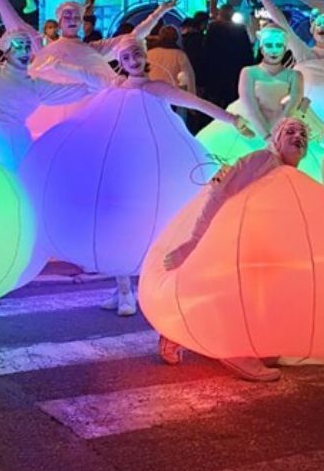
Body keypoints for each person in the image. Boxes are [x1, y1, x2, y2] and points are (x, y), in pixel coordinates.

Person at [103, 36, 250, 315]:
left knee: (150, 224)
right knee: (117, 224)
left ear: (145, 56)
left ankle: (149, 287)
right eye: (126, 58)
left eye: (137, 55)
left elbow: (194, 102)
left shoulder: (155, 87)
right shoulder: (115, 87)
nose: (133, 62)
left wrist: (232, 119)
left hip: (152, 164)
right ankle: (123, 289)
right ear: (119, 63)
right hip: (123, 161)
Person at [158, 116, 311, 380]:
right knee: (240, 294)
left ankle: (178, 332)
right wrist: (195, 241)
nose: (298, 136)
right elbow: (219, 192)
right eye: (290, 130)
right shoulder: (263, 160)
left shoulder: (289, 173)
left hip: (258, 244)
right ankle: (235, 351)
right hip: (237, 242)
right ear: (275, 139)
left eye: (303, 134)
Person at [0, 28, 101, 171]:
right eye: (18, 47)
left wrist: (61, 66)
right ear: (7, 52)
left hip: (4, 145)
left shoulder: (37, 87)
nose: (24, 52)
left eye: (27, 47)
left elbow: (94, 86)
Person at [197, 23, 316, 166]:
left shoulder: (295, 75)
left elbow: (292, 105)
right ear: (262, 47)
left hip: (283, 128)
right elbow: (250, 105)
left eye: (278, 45)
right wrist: (266, 137)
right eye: (269, 45)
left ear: (285, 48)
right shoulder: (249, 72)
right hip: (251, 126)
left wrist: (277, 136)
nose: (274, 50)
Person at [201, 2, 255, 108]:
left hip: (215, 70)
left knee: (215, 101)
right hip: (234, 70)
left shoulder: (213, 27)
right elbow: (247, 52)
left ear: (220, 14)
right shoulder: (240, 29)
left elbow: (206, 49)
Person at [147, 25, 196, 93]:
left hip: (152, 93)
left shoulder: (149, 53)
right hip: (173, 95)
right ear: (176, 37)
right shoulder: (180, 55)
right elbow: (188, 78)